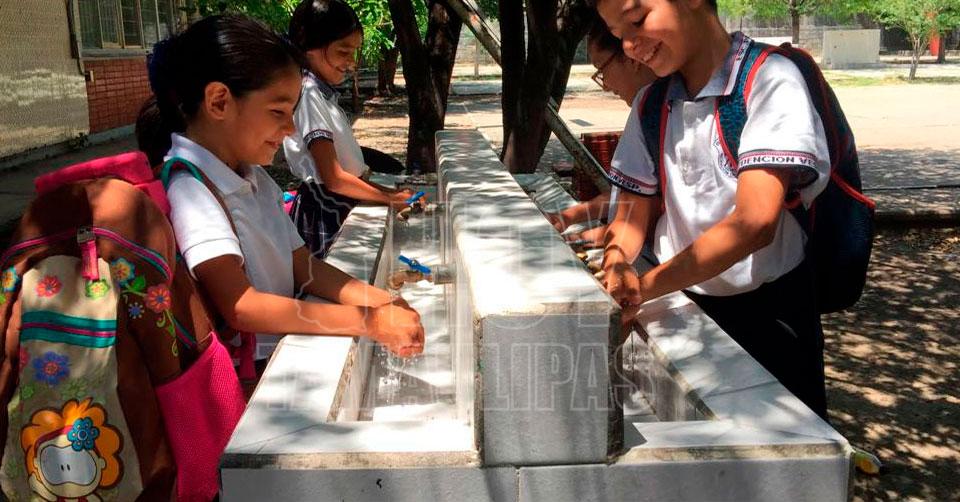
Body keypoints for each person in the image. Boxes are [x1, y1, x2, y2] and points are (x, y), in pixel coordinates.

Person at [140, 14, 424, 388]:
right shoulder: (190, 189)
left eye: (292, 113)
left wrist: (381, 301)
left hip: (280, 358)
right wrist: (367, 321)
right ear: (219, 101)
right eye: (278, 112)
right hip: (248, 380)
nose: (290, 129)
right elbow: (242, 306)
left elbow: (303, 266)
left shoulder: (252, 176)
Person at [595, 0, 831, 418]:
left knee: (783, 439)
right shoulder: (651, 104)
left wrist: (643, 287)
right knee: (696, 429)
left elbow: (754, 223)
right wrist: (616, 263)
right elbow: (631, 214)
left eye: (637, 20)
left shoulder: (768, 80)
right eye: (619, 35)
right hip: (683, 306)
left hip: (770, 312)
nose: (630, 45)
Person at [284, 0, 419, 257]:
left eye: (354, 52)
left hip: (339, 201)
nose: (351, 62)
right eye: (343, 52)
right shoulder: (309, 94)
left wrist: (392, 193)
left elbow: (346, 170)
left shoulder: (321, 94)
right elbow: (334, 178)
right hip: (326, 210)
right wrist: (391, 198)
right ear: (309, 47)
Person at [545, 22, 655, 248]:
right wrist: (568, 217)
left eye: (602, 69)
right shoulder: (644, 110)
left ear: (631, 58)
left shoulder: (665, 115)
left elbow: (654, 215)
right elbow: (626, 196)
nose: (605, 85)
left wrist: (588, 237)